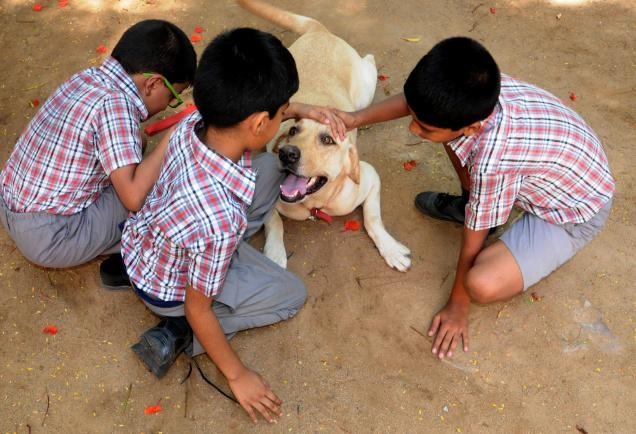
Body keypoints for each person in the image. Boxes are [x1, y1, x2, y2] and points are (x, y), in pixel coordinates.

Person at [335, 37, 615, 360]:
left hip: (574, 213)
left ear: (472, 127)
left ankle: (484, 209)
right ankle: (477, 202)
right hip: (557, 170)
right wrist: (354, 118)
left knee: (479, 282)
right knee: (447, 138)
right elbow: (419, 105)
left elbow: (473, 237)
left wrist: (459, 304)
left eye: (423, 127)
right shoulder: (473, 92)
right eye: (414, 118)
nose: (413, 129)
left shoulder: (493, 160)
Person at [119, 28, 343, 424]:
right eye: (282, 110)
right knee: (290, 293)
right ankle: (177, 333)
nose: (287, 112)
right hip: (173, 287)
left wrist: (302, 111)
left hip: (146, 241)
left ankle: (185, 280)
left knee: (271, 167)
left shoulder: (197, 123)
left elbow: (259, 121)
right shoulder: (220, 220)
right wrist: (237, 375)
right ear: (259, 123)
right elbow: (197, 305)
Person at [0, 20, 196, 270]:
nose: (168, 106)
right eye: (172, 97)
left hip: (8, 205)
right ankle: (145, 250)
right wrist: (173, 135)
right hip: (50, 238)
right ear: (153, 84)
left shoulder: (87, 77)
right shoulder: (117, 105)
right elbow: (134, 198)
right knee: (162, 188)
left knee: (139, 149)